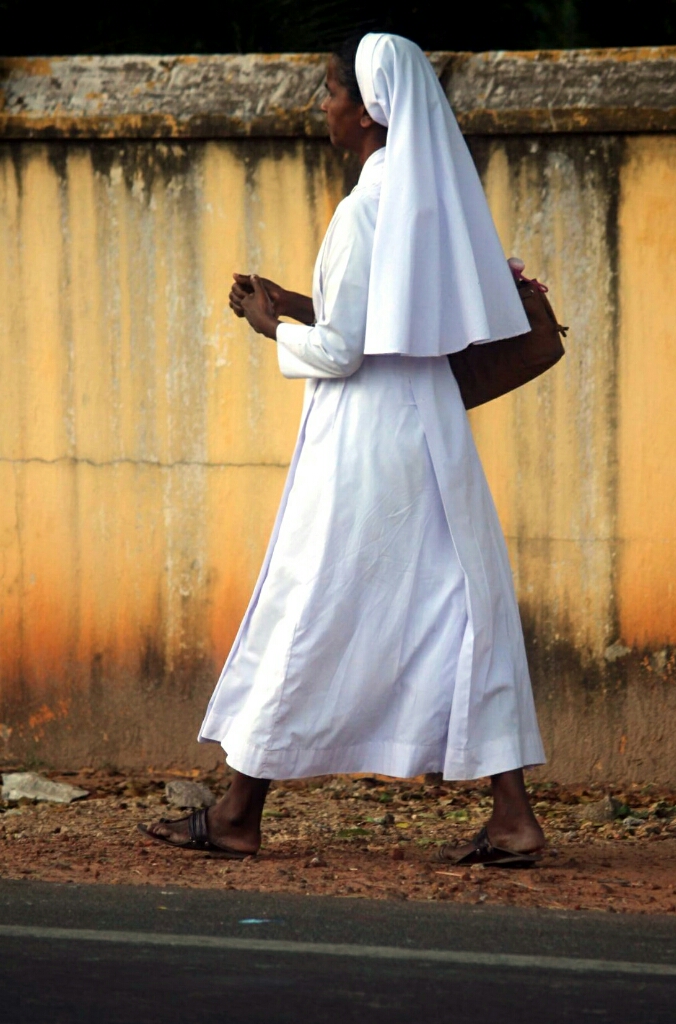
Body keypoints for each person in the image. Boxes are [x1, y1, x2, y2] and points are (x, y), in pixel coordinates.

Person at [140, 32, 546, 867]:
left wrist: (271, 325)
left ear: (367, 111)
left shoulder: (364, 210)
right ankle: (511, 816)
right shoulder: (425, 196)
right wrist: (298, 299)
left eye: (330, 91)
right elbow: (394, 321)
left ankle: (239, 814)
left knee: (307, 602)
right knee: (460, 609)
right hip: (430, 432)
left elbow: (344, 351)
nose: (321, 105)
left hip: (367, 442)